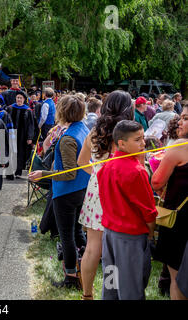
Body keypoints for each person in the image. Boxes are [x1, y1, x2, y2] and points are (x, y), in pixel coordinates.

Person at [77, 90, 134, 300]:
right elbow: (137, 168)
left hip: (97, 189)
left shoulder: (95, 131)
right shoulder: (130, 134)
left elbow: (81, 162)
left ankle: (87, 295)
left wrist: (99, 175)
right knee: (115, 249)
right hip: (120, 191)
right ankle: (112, 293)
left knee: (93, 247)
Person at [28, 95, 90, 289]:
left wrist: (43, 173)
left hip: (68, 192)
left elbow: (69, 173)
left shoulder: (68, 138)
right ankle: (86, 265)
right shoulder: (83, 128)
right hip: (81, 188)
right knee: (77, 231)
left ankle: (71, 277)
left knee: (67, 236)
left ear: (62, 111)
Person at [98, 120, 157, 300]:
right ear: (121, 143)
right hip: (129, 237)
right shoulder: (136, 171)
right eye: (137, 140)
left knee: (111, 282)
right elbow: (148, 210)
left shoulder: (106, 165)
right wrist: (151, 232)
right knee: (130, 287)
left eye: (143, 138)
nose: (143, 143)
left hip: (109, 234)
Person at [152, 104, 188, 300]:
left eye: (185, 118)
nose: (180, 121)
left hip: (180, 220)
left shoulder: (180, 146)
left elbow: (156, 180)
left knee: (178, 277)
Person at [6, 91, 34, 179]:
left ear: (24, 99)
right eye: (17, 97)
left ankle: (18, 171)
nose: (19, 99)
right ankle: (9, 172)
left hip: (22, 136)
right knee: (10, 152)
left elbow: (31, 125)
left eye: (20, 98)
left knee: (20, 153)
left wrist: (30, 137)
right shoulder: (10, 108)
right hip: (11, 134)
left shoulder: (28, 110)